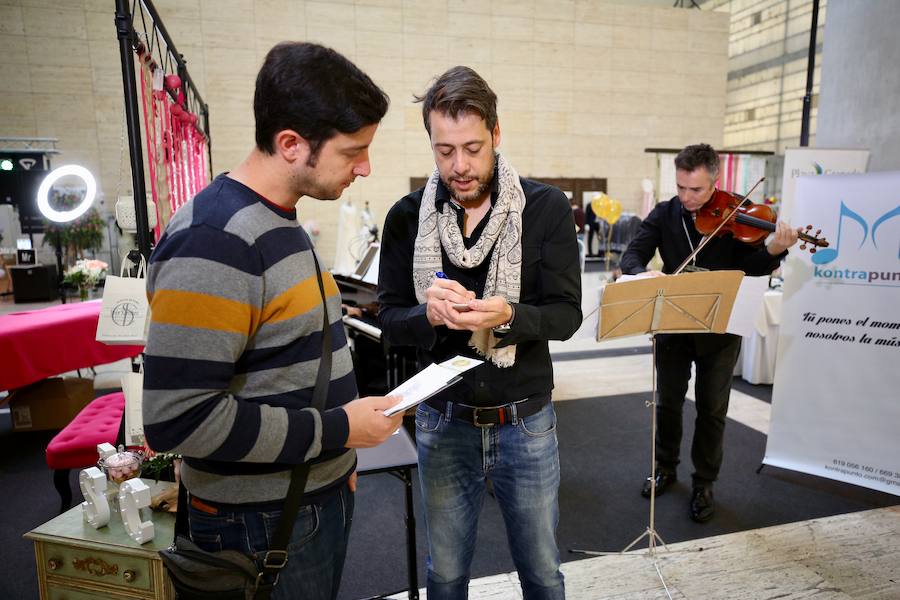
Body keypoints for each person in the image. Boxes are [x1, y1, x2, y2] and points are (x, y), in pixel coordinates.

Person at [142, 42, 404, 600]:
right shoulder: (215, 240)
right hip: (256, 522)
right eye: (353, 151)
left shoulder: (277, 221)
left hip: (304, 496)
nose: (365, 167)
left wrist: (338, 458)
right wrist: (340, 431)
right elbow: (178, 421)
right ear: (291, 144)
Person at [378, 66, 582, 600]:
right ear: (430, 142)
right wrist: (429, 314)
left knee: (541, 572)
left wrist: (508, 316)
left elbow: (567, 315)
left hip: (526, 422)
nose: (460, 166)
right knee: (445, 576)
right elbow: (388, 321)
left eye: (471, 147)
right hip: (444, 423)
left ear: (496, 132)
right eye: (445, 151)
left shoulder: (545, 209)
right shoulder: (407, 217)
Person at [619, 143, 800, 523]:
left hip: (721, 327)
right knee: (667, 403)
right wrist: (641, 272)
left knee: (712, 409)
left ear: (715, 180)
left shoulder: (736, 212)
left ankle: (704, 481)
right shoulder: (665, 212)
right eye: (682, 187)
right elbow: (632, 253)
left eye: (696, 190)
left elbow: (750, 267)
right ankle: (665, 467)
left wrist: (774, 250)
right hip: (673, 324)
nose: (687, 198)